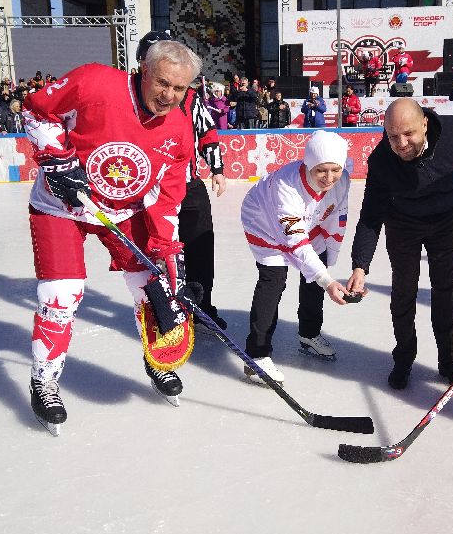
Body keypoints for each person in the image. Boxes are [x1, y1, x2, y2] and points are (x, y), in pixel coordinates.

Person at [18, 38, 205, 429]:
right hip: (62, 206)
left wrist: (171, 258)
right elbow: (36, 112)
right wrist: (58, 160)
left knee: (155, 288)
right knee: (61, 295)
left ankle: (157, 361)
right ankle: (44, 381)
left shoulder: (180, 131)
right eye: (162, 83)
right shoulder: (94, 83)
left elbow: (167, 201)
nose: (168, 95)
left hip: (124, 212)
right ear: (143, 72)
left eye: (179, 88)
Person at [347, 98, 453, 390]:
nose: (400, 143)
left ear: (424, 123)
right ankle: (404, 359)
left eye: (408, 133)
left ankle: (448, 360)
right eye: (392, 135)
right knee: (403, 292)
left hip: (446, 222)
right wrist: (360, 266)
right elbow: (371, 215)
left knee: (445, 292)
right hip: (403, 225)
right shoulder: (382, 160)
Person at [240, 130, 355, 384]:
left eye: (334, 169)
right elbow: (295, 242)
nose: (329, 178)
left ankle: (309, 333)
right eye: (321, 171)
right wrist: (328, 281)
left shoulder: (343, 181)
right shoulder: (286, 186)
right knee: (274, 279)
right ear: (309, 165)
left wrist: (327, 262)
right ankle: (256, 356)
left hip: (310, 220)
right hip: (263, 220)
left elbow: (337, 219)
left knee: (316, 266)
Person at [136, 30, 229, 330]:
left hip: (189, 186)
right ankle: (167, 312)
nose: (168, 91)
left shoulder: (189, 97)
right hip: (149, 189)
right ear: (144, 65)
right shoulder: (131, 96)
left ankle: (202, 307)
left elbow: (207, 132)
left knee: (201, 247)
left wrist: (216, 168)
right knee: (163, 254)